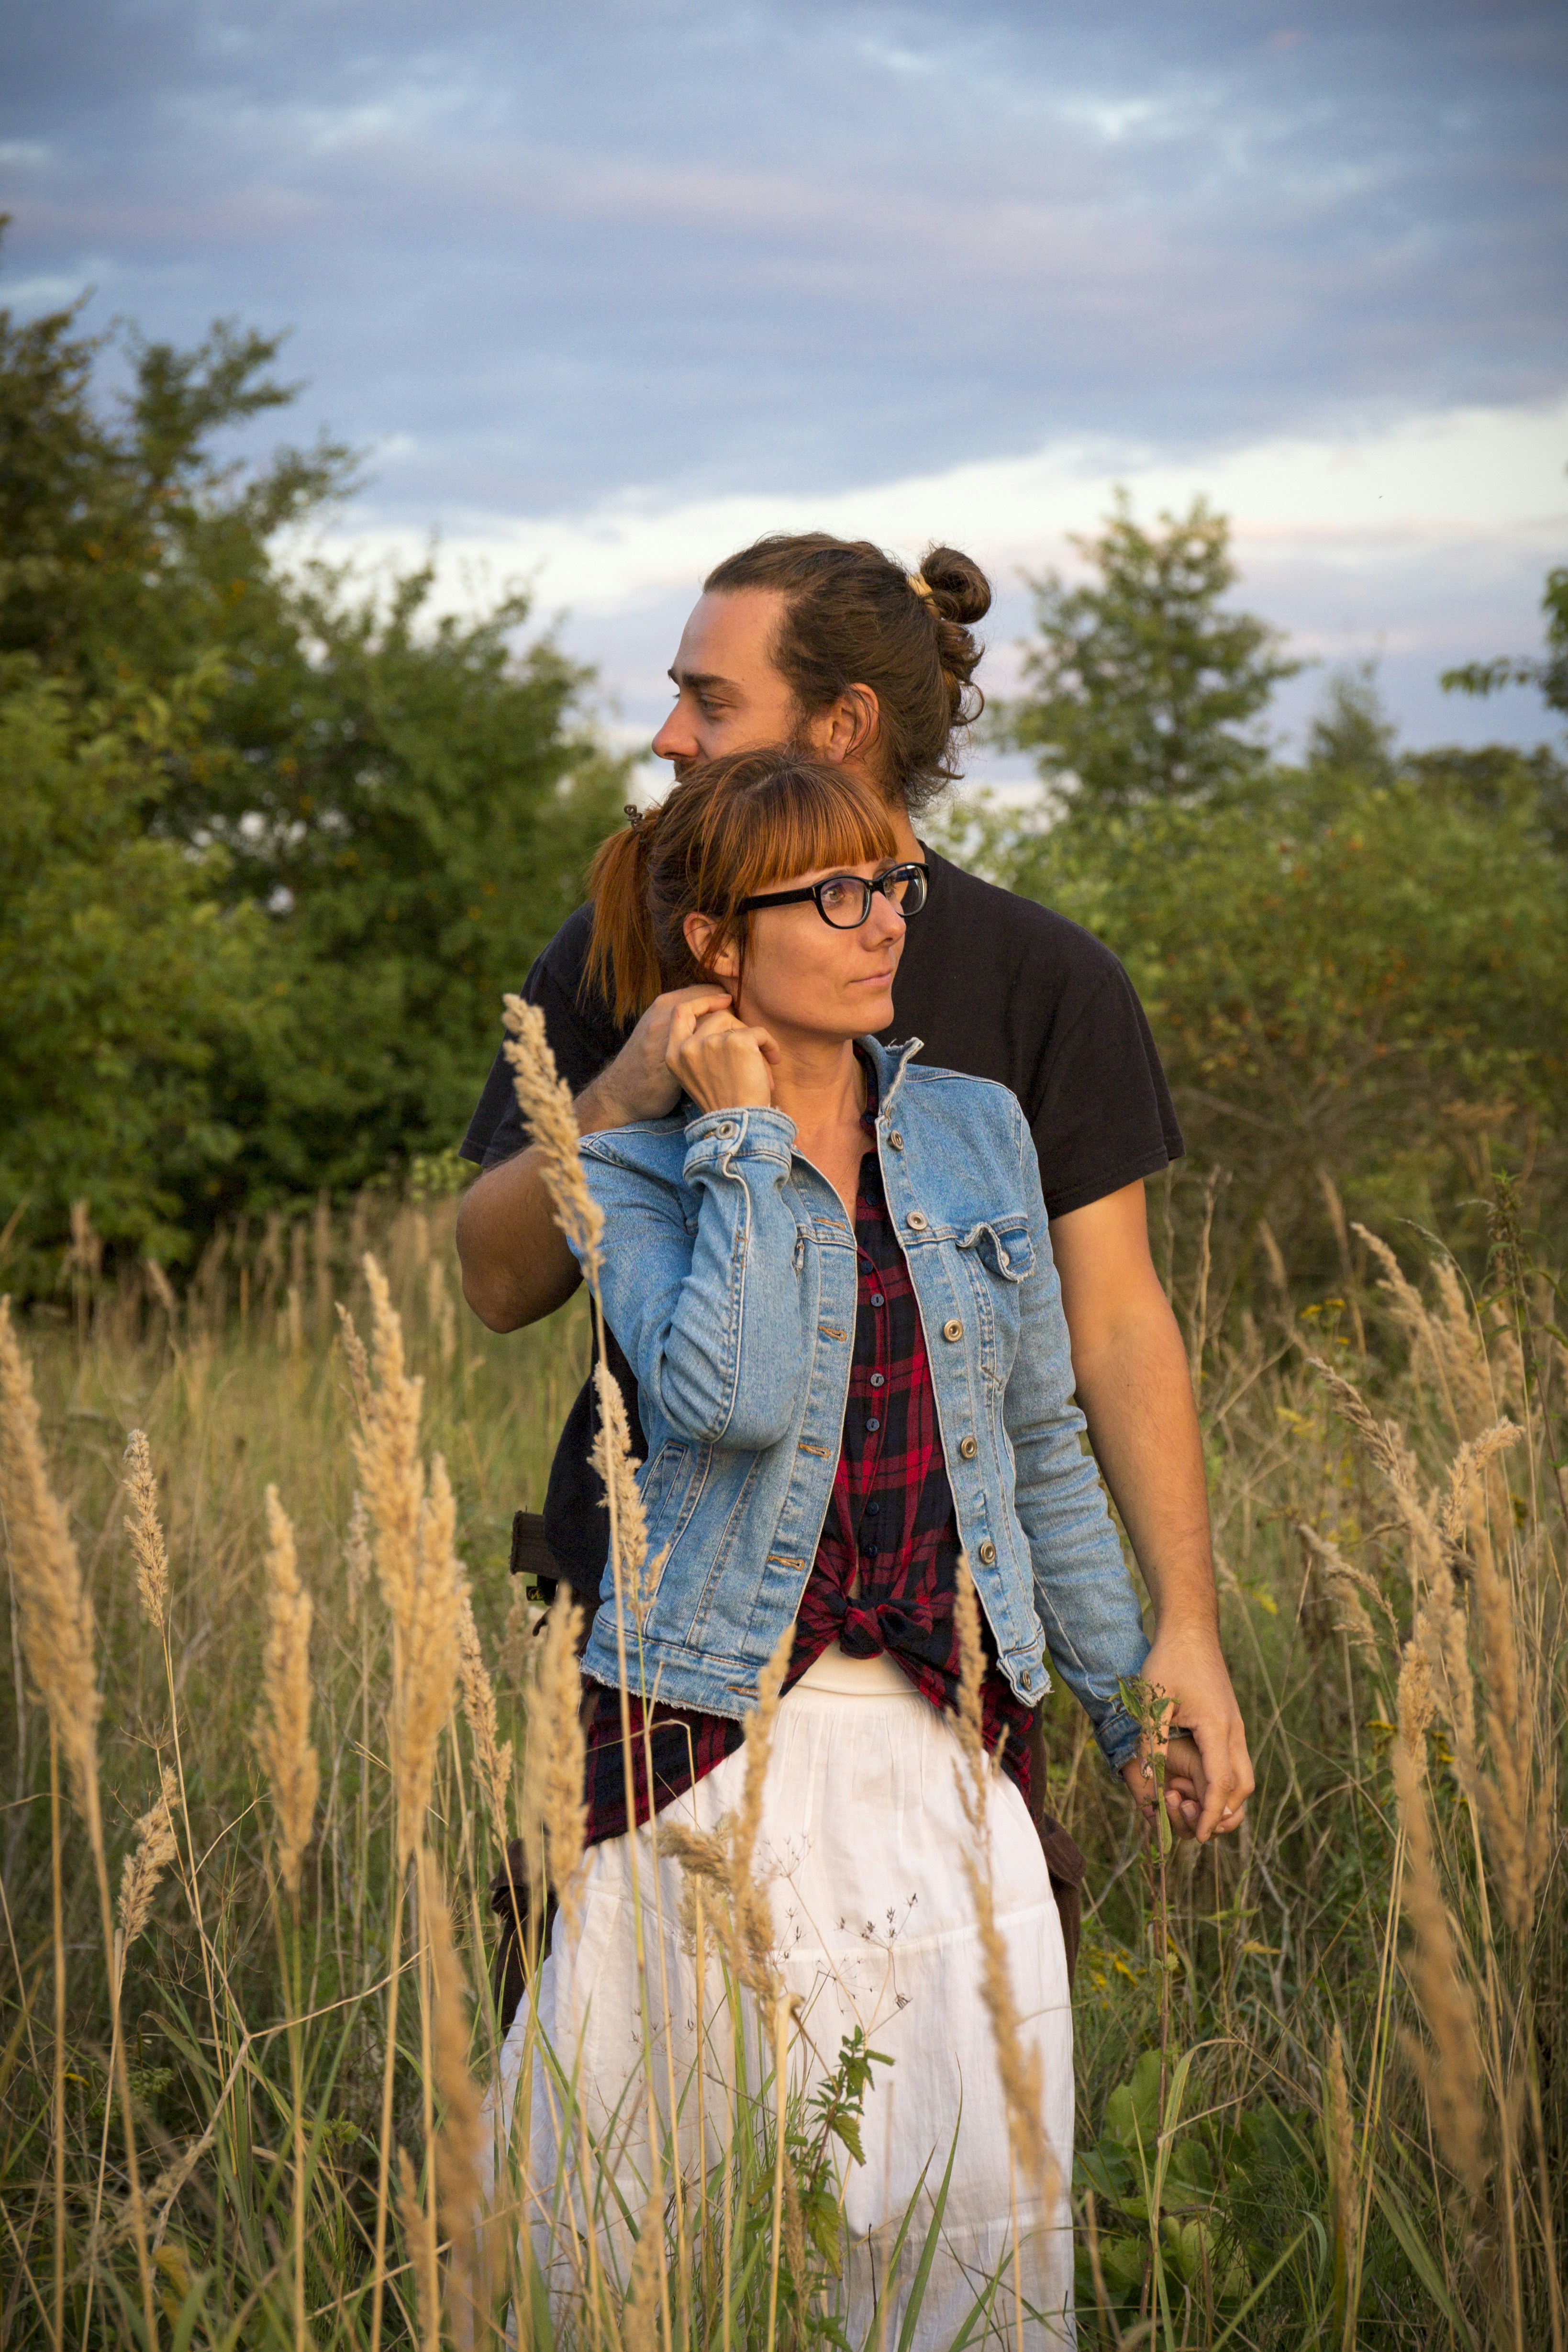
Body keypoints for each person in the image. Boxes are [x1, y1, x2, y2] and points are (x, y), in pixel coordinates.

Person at [491, 748, 1167, 2341]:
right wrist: (733, 1133)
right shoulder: (633, 1171)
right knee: (635, 2231)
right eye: (840, 894)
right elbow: (735, 1393)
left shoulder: (979, 1131)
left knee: (961, 2228)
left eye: (897, 886)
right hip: (706, 1747)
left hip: (945, 1743)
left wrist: (1133, 1697)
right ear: (721, 946)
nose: (887, 924)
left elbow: (1043, 1438)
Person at [458, 532, 1253, 1845]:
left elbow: (1102, 1336)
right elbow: (498, 1283)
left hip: (955, 1671)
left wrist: (1178, 1635)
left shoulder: (1044, 985)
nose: (669, 735)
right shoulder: (622, 938)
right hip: (665, 1649)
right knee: (640, 2042)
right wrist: (627, 1092)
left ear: (844, 725)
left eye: (711, 700)